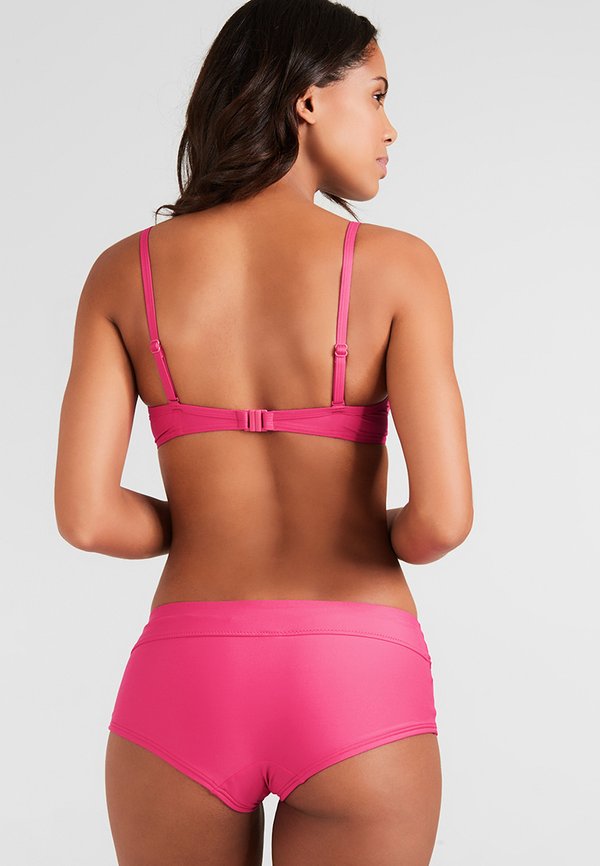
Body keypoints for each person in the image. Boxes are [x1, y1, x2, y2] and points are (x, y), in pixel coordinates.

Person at [54, 0, 473, 863]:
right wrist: (366, 528)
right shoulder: (399, 266)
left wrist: (209, 522)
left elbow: (87, 519)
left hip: (186, 678)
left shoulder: (123, 273)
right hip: (357, 676)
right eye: (377, 94)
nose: (390, 127)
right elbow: (441, 523)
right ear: (308, 101)